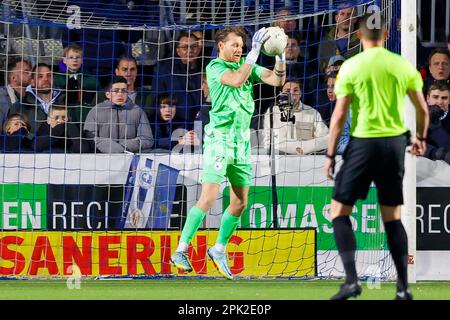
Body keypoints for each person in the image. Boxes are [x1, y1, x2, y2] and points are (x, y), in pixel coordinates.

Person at [324, 13, 429, 300]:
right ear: (385, 34)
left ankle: (351, 282)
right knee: (392, 218)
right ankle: (403, 289)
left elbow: (339, 114)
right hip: (394, 145)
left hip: (363, 143)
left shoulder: (351, 66)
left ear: (359, 35)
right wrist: (419, 138)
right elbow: (422, 108)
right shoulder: (401, 65)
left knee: (338, 211)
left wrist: (331, 154)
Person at [170, 26, 286, 279]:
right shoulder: (215, 68)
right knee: (210, 195)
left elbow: (277, 80)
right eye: (235, 45)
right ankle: (181, 249)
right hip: (219, 139)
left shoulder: (247, 66)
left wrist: (280, 56)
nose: (240, 49)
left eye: (242, 46)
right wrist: (255, 53)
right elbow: (236, 81)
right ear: (221, 46)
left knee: (240, 201)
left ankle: (219, 248)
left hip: (242, 141)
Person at [84, 76, 153, 153]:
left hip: (130, 158)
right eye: (116, 91)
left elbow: (147, 139)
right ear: (107, 94)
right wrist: (111, 147)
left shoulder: (137, 111)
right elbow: (90, 137)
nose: (120, 94)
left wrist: (123, 147)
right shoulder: (96, 111)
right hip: (102, 158)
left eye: (123, 91)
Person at [263, 80, 329, 155]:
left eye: (295, 90)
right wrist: (297, 148)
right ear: (281, 93)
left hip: (306, 161)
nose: (291, 93)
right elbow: (268, 143)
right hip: (280, 161)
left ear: (300, 94)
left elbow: (326, 140)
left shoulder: (312, 113)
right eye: (287, 90)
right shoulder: (272, 112)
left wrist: (305, 148)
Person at [151, 32, 203, 126]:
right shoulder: (166, 71)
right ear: (178, 51)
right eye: (185, 47)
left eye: (193, 46)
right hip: (174, 126)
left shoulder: (205, 70)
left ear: (199, 49)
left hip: (201, 124)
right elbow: (157, 101)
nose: (190, 50)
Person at [10, 63, 67, 137]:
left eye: (49, 76)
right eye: (40, 76)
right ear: (32, 82)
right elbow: (11, 135)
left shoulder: (66, 101)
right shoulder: (20, 107)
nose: (46, 79)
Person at [54, 43, 100, 124]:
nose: (75, 60)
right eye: (71, 57)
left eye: (78, 57)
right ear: (64, 60)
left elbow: (99, 96)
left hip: (85, 115)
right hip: (65, 115)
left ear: (82, 60)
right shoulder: (57, 78)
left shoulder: (91, 79)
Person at [318, 6, 360, 73]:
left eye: (349, 14)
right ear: (336, 18)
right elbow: (320, 69)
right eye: (342, 14)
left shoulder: (361, 43)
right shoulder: (325, 42)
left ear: (355, 19)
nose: (346, 18)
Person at [423, 82, 450, 164]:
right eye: (435, 97)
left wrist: (437, 128)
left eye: (444, 98)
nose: (440, 101)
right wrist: (435, 152)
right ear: (428, 99)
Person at [0, 58, 32, 126]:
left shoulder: (30, 98)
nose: (31, 74)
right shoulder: (2, 98)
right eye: (26, 72)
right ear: (14, 78)